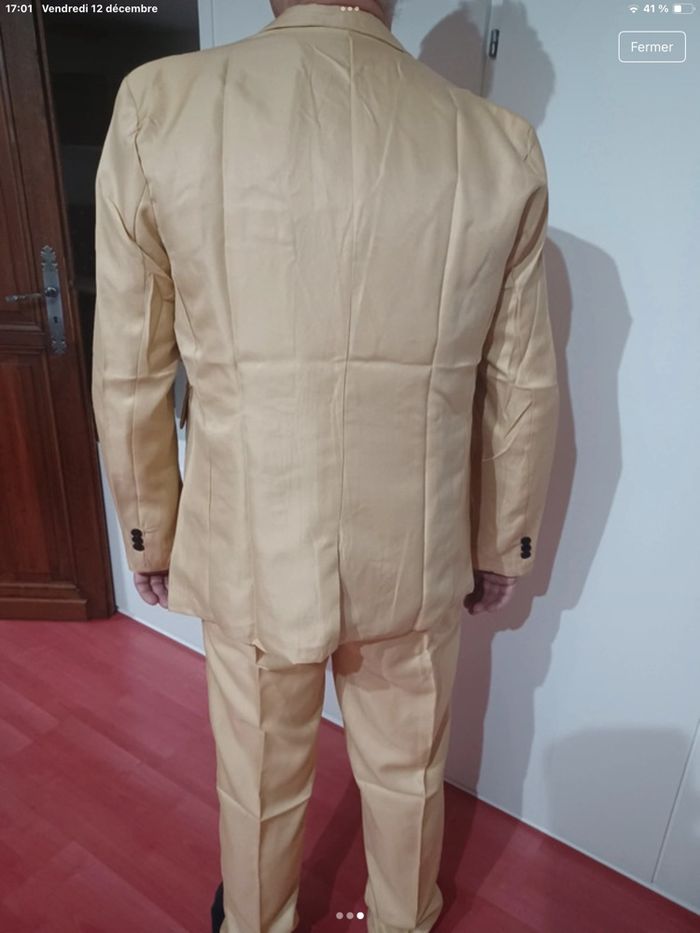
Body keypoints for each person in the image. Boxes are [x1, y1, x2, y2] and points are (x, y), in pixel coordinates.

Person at [91, 1, 560, 930]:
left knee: (258, 774)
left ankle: (255, 921)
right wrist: (501, 538)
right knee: (408, 770)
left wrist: (151, 526)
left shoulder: (161, 105)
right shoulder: (498, 143)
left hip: (253, 536)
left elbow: (130, 362)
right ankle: (403, 919)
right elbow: (522, 379)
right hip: (416, 542)